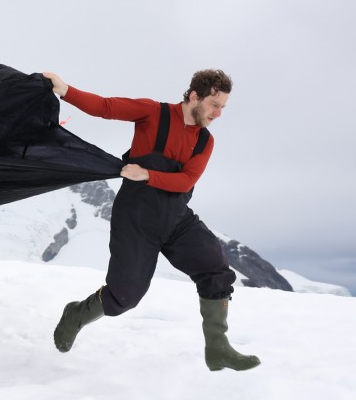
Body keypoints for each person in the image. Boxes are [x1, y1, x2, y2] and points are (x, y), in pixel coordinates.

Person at [40, 69, 260, 372]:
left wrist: (146, 174)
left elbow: (186, 181)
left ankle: (218, 348)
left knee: (215, 268)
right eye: (214, 104)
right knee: (124, 297)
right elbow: (105, 107)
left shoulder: (204, 141)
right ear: (194, 96)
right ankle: (77, 314)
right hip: (136, 218)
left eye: (223, 107)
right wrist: (65, 90)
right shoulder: (153, 113)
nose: (218, 113)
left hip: (176, 219)